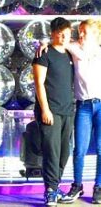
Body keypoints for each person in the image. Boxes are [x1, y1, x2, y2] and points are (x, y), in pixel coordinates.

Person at [35, 17, 78, 206]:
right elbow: (38, 83)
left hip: (68, 110)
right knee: (52, 152)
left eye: (66, 32)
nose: (63, 36)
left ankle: (56, 185)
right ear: (52, 33)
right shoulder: (44, 54)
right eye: (59, 32)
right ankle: (50, 190)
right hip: (50, 111)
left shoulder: (70, 54)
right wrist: (45, 109)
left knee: (64, 152)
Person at [59, 19, 101, 203]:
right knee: (79, 149)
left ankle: (98, 187)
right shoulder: (74, 48)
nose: (81, 34)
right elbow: (57, 43)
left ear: (96, 34)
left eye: (85, 31)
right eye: (80, 31)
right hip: (83, 105)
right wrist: (44, 44)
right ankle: (77, 186)